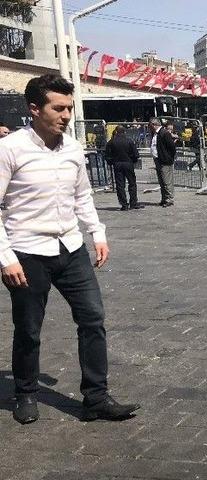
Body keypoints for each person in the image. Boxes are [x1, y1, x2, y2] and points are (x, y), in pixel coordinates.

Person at [0, 74, 140, 424]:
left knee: (92, 318)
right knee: (29, 328)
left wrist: (97, 233)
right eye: (58, 108)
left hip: (71, 246)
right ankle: (26, 393)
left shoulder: (74, 148)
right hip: (27, 251)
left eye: (69, 108)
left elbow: (82, 196)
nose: (65, 116)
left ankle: (96, 398)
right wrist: (5, 258)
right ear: (34, 109)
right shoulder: (10, 149)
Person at [104, 125, 142, 211]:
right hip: (128, 163)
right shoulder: (129, 141)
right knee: (132, 183)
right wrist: (133, 161)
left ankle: (124, 204)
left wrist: (111, 162)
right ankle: (133, 203)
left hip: (117, 164)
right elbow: (136, 154)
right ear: (124, 132)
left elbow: (107, 155)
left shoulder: (111, 142)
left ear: (116, 132)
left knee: (120, 185)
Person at [149, 117, 175, 207]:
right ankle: (164, 198)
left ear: (154, 125)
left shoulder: (164, 133)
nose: (149, 127)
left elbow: (172, 147)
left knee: (167, 181)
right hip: (158, 160)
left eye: (150, 125)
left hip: (165, 160)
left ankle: (169, 199)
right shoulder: (155, 134)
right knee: (162, 181)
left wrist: (169, 157)